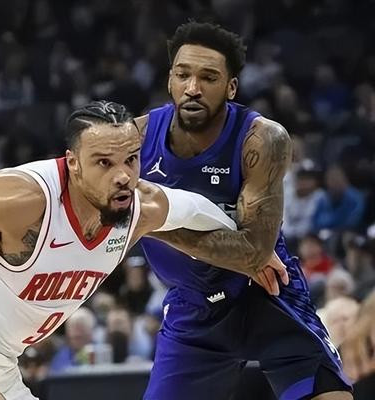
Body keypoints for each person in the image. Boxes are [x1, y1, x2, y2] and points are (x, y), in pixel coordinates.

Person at [0, 101, 287, 400]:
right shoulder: (23, 198)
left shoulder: (139, 206)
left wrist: (252, 250)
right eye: (104, 162)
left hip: (0, 363)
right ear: (73, 162)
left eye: (131, 160)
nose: (123, 175)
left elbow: (193, 209)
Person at [134, 22, 352, 400]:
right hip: (193, 308)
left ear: (231, 87)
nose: (193, 88)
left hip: (267, 293)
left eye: (209, 77)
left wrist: (145, 221)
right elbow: (97, 207)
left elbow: (253, 252)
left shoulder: (262, 138)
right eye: (183, 75)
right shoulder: (134, 140)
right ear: (170, 79)